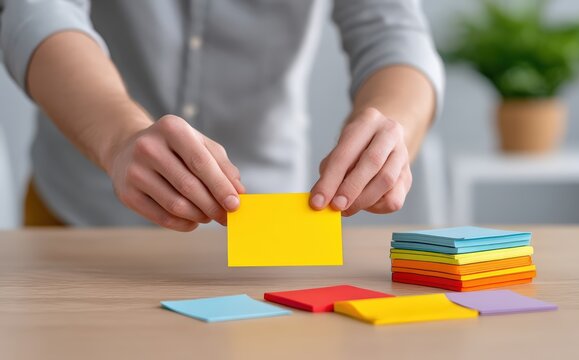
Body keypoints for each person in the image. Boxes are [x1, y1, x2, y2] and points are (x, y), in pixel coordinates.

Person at [0, 0, 444, 231]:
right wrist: (118, 135)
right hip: (79, 215)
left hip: (270, 234)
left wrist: (393, 125)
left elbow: (394, 29)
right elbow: (38, 12)